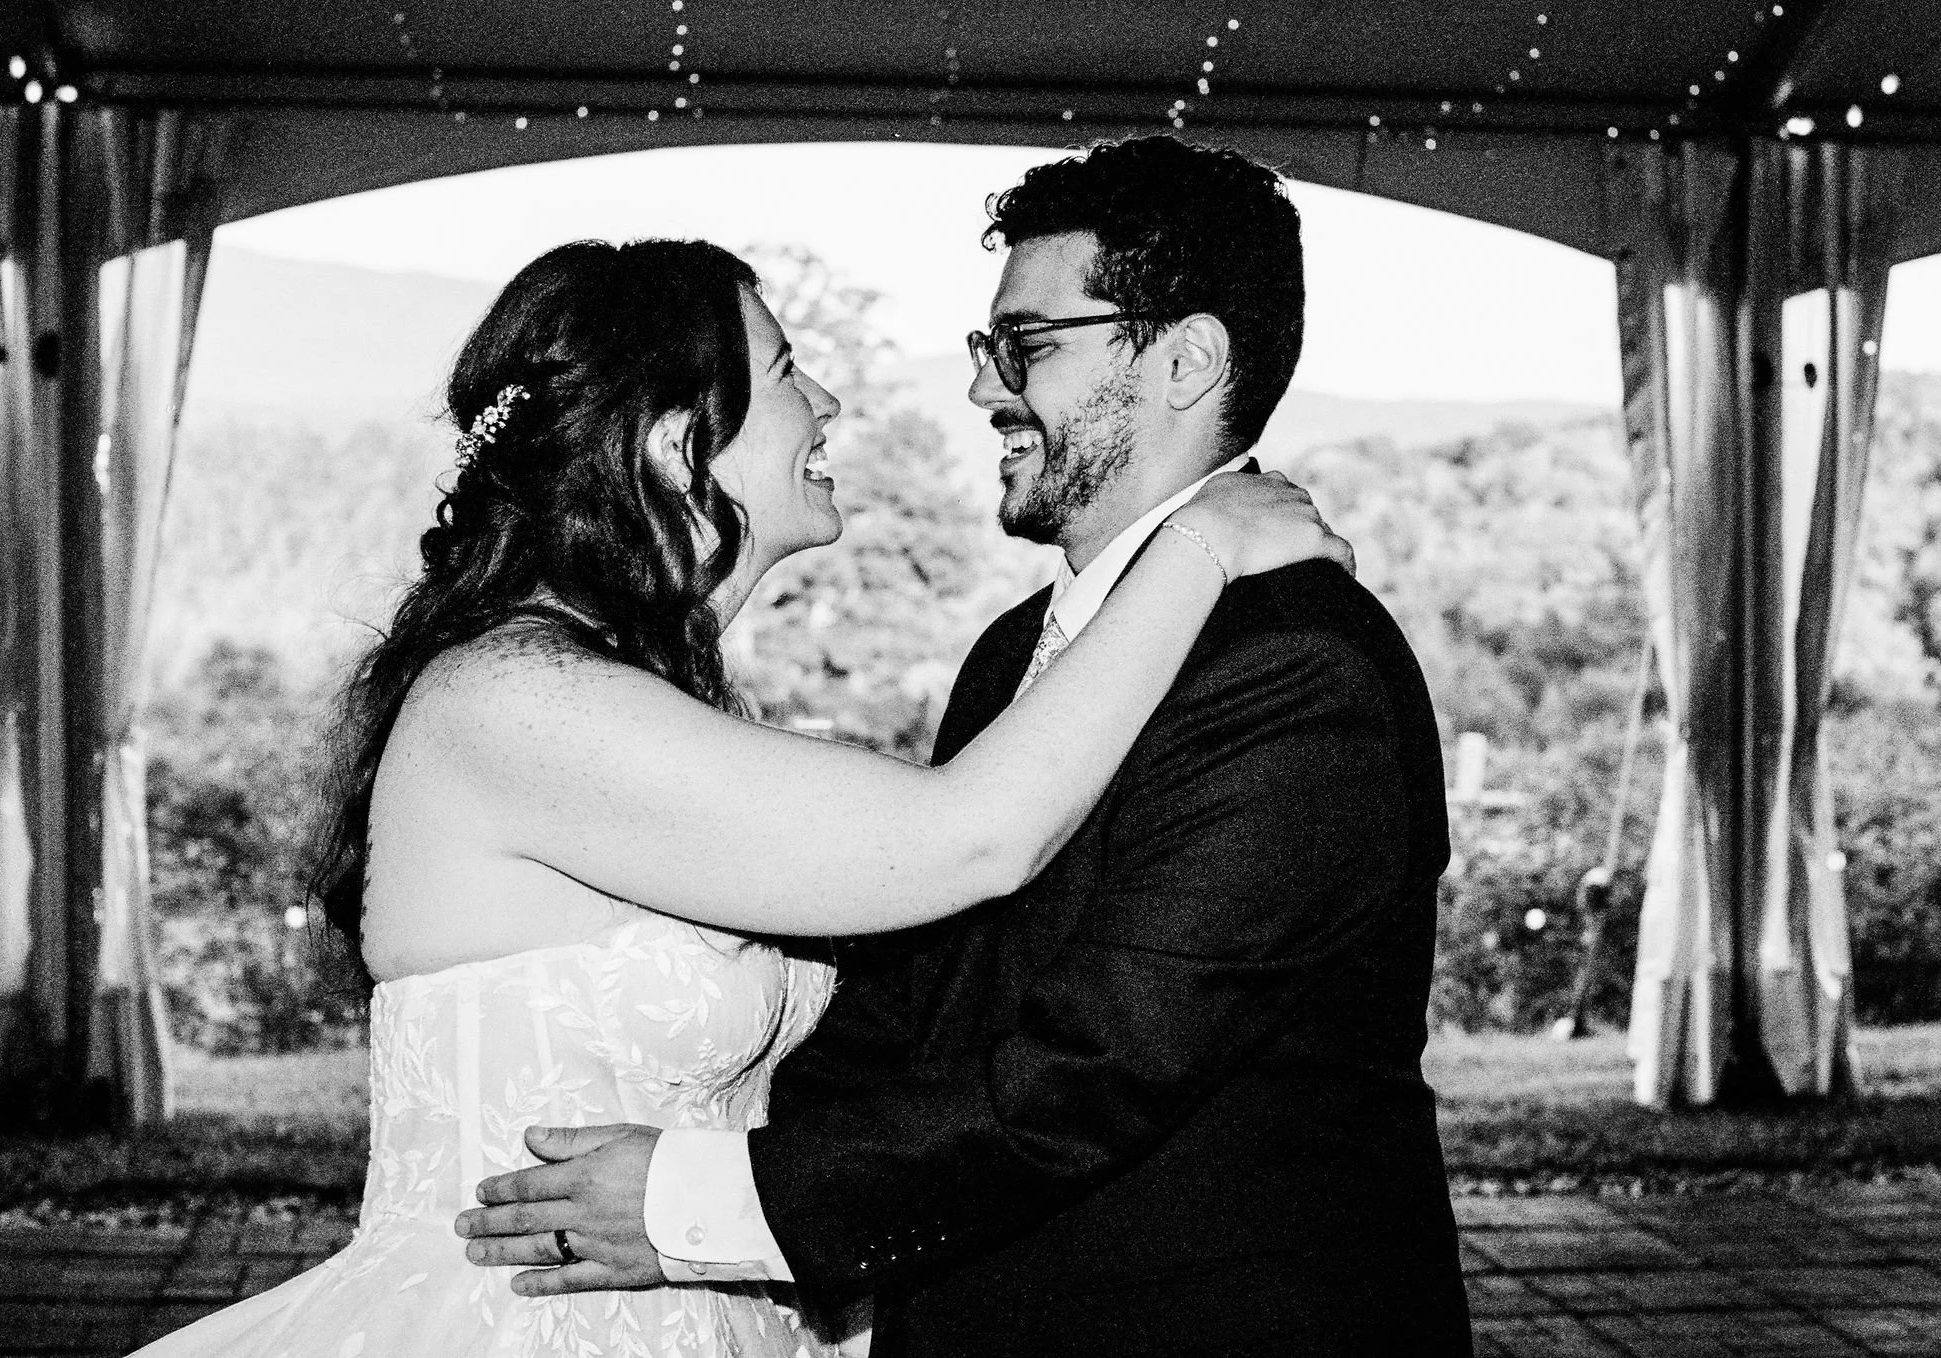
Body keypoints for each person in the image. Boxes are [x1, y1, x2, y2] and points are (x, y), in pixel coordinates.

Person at [126, 232, 1350, 1358]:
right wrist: (1201, 545)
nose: (827, 403)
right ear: (675, 442)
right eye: (784, 372)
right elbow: (971, 833)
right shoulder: (511, 701)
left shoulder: (660, 712)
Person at [455, 139, 1473, 1356]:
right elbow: (914, 999)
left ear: (1186, 361)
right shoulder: (1012, 652)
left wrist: (705, 1202)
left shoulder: (1292, 665)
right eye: (990, 346)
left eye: (1027, 345)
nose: (985, 387)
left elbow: (1097, 1065)